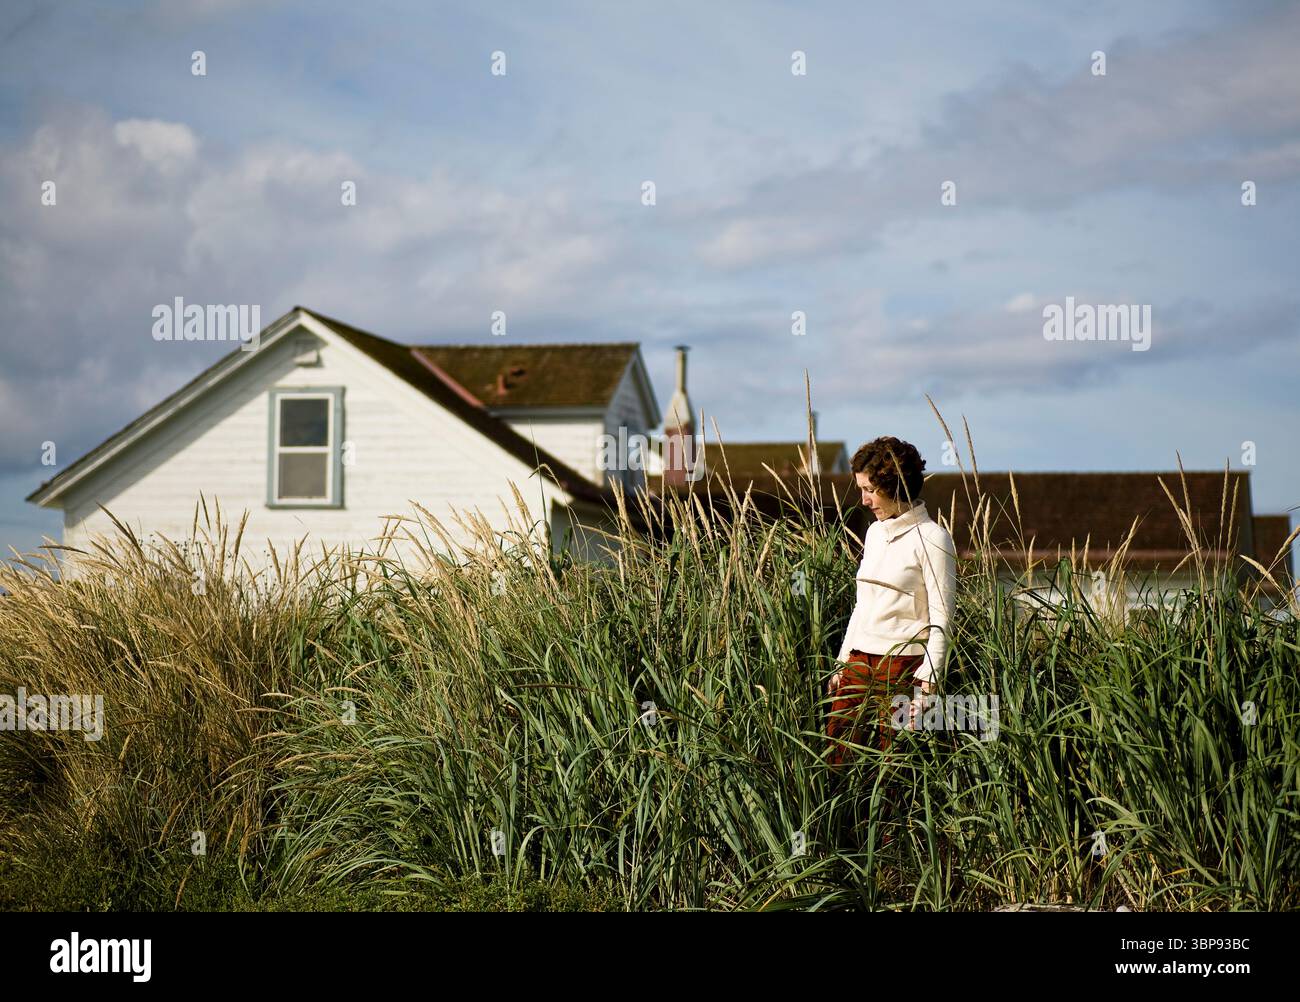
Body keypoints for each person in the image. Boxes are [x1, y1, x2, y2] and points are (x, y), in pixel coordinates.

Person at [826, 436, 958, 770]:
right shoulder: (874, 534)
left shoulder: (933, 538)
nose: (864, 500)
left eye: (870, 489)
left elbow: (943, 617)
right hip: (859, 662)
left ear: (895, 485)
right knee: (836, 756)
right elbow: (863, 603)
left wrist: (929, 681)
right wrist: (844, 660)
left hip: (902, 667)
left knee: (894, 769)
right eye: (861, 489)